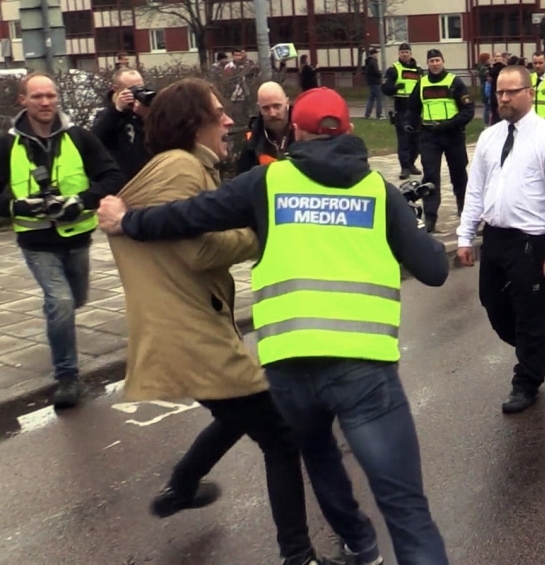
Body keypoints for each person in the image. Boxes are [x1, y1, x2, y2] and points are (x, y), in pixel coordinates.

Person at [97, 86, 452, 563]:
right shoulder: (377, 190)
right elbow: (434, 270)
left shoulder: (267, 183)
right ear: (349, 130)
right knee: (405, 508)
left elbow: (188, 217)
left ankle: (362, 548)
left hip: (290, 368)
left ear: (296, 131)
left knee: (317, 454)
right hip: (363, 370)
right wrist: (408, 226)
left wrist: (128, 222)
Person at [0, 73, 123, 408]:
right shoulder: (8, 145)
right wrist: (15, 206)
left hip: (77, 237)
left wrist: (81, 201)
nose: (45, 103)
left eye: (50, 96)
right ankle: (67, 377)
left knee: (74, 299)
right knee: (62, 301)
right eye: (37, 97)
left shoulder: (79, 137)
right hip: (35, 241)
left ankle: (57, 316)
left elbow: (112, 175)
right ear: (22, 100)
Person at [456, 65, 545, 414]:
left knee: (532, 312)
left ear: (529, 93)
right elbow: (475, 189)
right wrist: (465, 235)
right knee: (493, 303)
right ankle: (529, 347)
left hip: (530, 241)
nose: (504, 98)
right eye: (499, 92)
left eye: (511, 92)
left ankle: (527, 380)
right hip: (495, 237)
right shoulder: (490, 137)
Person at [404, 48, 475, 234]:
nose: (435, 64)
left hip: (453, 134)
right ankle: (430, 217)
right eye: (431, 61)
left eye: (437, 60)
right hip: (429, 136)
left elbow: (468, 111)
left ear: (443, 61)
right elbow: (412, 108)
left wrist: (449, 124)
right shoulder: (421, 83)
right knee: (430, 177)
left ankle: (464, 210)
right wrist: (410, 124)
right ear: (427, 64)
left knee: (459, 174)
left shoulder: (454, 82)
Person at [91, 68, 151, 183]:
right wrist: (117, 111)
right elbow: (96, 139)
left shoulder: (145, 112)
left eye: (141, 88)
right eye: (132, 89)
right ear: (116, 89)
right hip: (121, 181)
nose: (137, 93)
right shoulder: (106, 115)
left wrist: (146, 116)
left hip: (146, 178)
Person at [382, 42, 423, 179]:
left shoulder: (418, 70)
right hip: (401, 107)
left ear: (411, 53)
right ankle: (404, 167)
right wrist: (395, 88)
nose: (404, 54)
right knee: (404, 139)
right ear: (399, 54)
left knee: (416, 139)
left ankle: (411, 164)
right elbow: (385, 89)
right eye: (402, 52)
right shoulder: (393, 69)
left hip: (416, 108)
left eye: (407, 52)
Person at [237, 81, 295, 174]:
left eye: (277, 106)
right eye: (266, 108)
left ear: (287, 102)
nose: (272, 113)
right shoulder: (252, 143)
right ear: (259, 108)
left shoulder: (305, 131)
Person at [363, 47, 384, 119]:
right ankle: (379, 114)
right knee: (379, 98)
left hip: (370, 82)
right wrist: (381, 75)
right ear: (373, 54)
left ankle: (367, 114)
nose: (377, 55)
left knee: (371, 98)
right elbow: (376, 72)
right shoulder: (373, 62)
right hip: (375, 82)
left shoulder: (368, 61)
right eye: (376, 53)